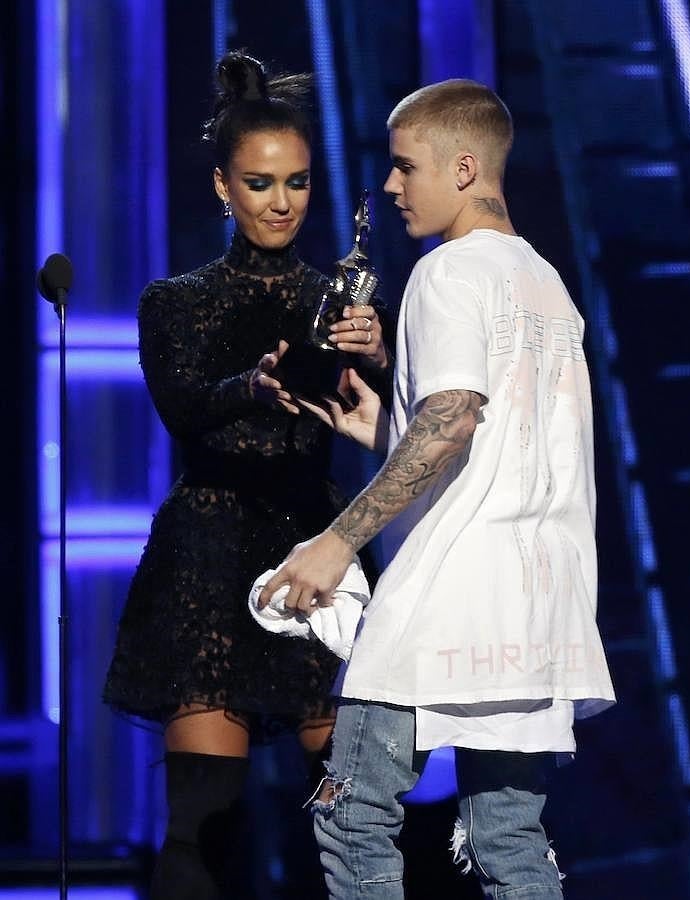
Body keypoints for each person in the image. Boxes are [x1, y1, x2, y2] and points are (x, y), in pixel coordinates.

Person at [259, 78, 616, 899]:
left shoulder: (447, 271)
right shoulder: (546, 285)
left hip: (447, 595)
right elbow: (495, 440)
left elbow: (453, 419)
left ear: (461, 168)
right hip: (540, 606)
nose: (389, 187)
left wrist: (335, 540)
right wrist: (388, 427)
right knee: (508, 839)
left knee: (351, 815)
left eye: (402, 166)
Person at [102, 51, 390, 899]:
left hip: (319, 549)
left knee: (356, 810)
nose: (281, 202)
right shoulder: (175, 300)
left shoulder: (340, 302)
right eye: (261, 184)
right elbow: (182, 407)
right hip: (210, 557)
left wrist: (377, 360)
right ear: (225, 188)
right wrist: (252, 385)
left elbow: (398, 433)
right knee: (204, 822)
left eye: (297, 184)